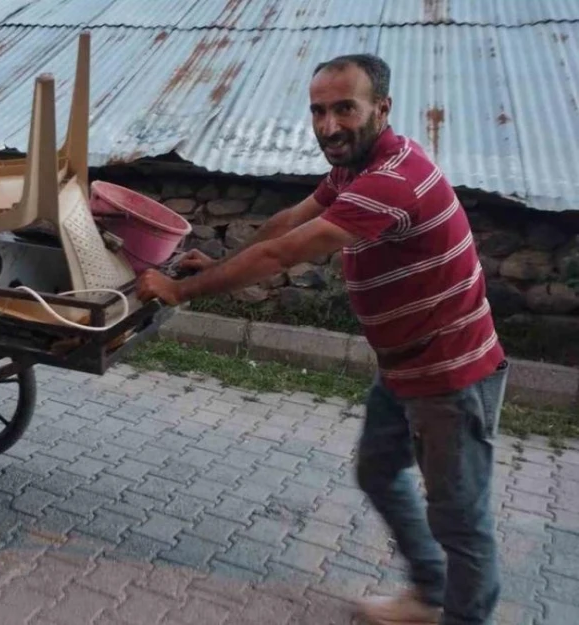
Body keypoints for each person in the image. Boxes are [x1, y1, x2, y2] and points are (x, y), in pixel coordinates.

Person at [136, 53, 508, 625]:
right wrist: (219, 260)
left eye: (344, 109)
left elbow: (286, 253)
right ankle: (431, 591)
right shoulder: (354, 168)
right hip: (402, 367)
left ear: (381, 108)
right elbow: (288, 221)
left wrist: (184, 292)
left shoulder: (393, 180)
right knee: (379, 472)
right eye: (318, 111)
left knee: (461, 519)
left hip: (450, 374)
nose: (328, 126)